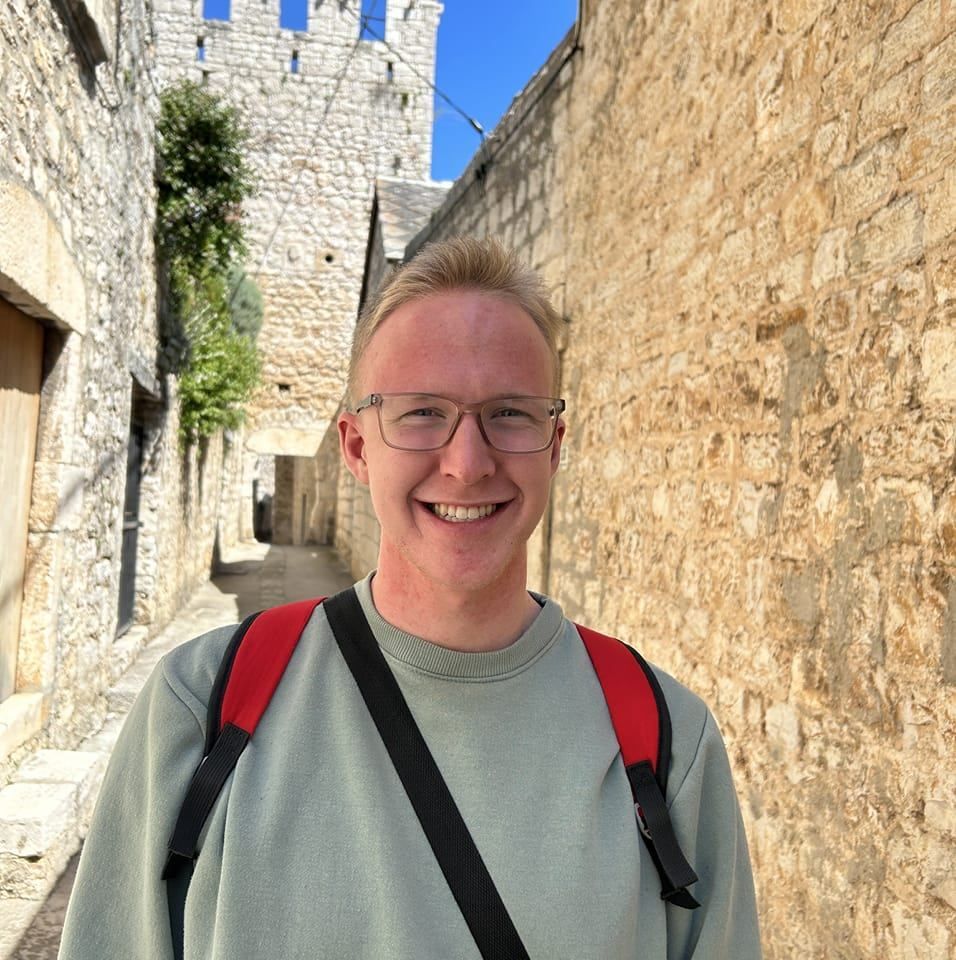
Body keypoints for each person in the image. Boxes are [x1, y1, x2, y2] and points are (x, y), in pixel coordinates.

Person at [59, 237, 761, 958]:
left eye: (510, 414)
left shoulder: (667, 743)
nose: (466, 464)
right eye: (423, 412)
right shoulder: (202, 708)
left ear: (555, 446)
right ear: (357, 447)